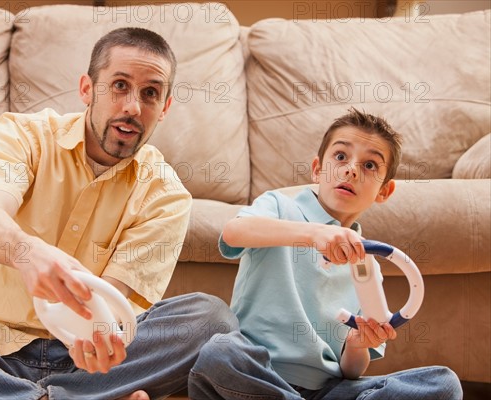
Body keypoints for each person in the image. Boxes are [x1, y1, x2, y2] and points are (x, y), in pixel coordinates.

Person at [0, 27, 236, 400]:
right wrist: (29, 254)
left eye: (150, 93)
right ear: (87, 89)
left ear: (164, 108)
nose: (133, 107)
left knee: (212, 320)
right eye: (119, 85)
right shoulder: (22, 135)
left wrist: (99, 335)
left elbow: (109, 308)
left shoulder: (167, 195)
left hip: (86, 362)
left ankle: (9, 394)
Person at [188, 108, 462, 399]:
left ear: (384, 191)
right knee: (219, 354)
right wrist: (316, 234)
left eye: (370, 165)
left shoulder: (368, 264)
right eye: (341, 157)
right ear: (318, 169)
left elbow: (350, 370)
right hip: (256, 372)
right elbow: (234, 232)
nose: (351, 169)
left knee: (443, 384)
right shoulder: (280, 207)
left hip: (325, 390)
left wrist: (357, 344)